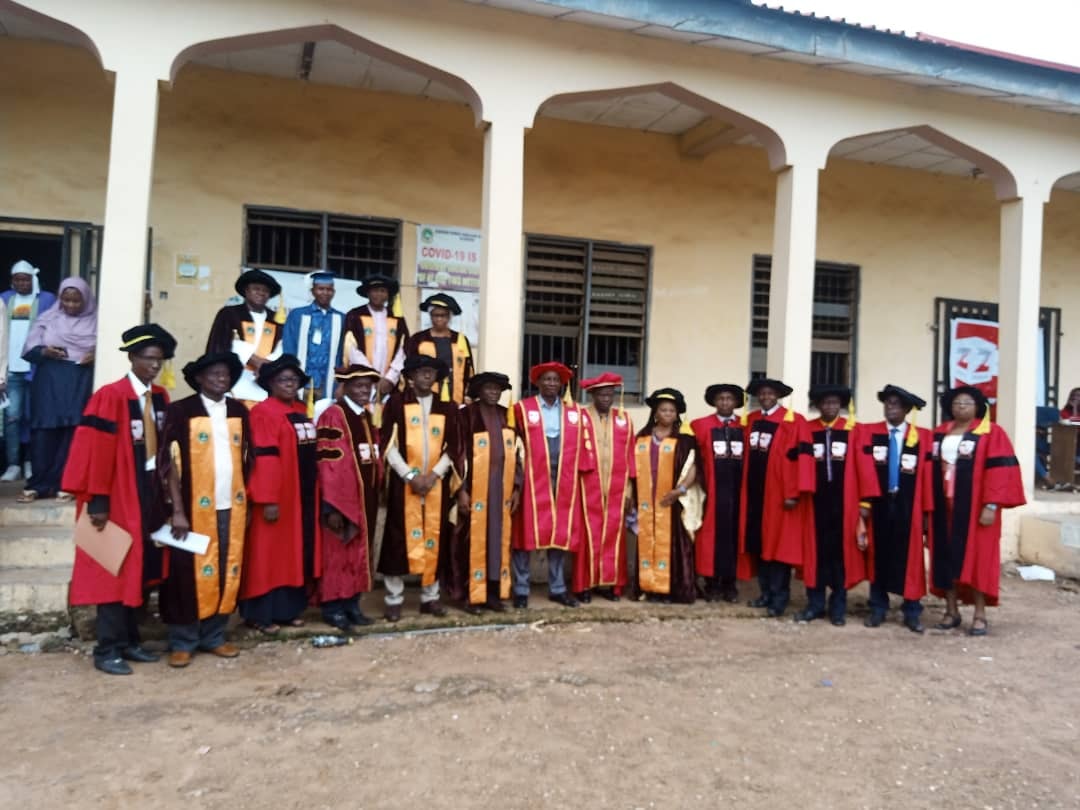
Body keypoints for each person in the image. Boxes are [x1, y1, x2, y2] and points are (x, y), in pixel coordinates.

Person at [62, 323, 176, 675]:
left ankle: (130, 642)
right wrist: (97, 499)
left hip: (149, 491)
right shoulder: (110, 396)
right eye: (147, 359)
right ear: (132, 358)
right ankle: (106, 648)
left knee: (139, 571)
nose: (154, 366)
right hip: (116, 491)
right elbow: (95, 451)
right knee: (113, 568)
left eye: (159, 360)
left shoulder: (161, 397)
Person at [157, 351, 250, 667]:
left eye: (225, 374)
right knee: (185, 574)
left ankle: (214, 636)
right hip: (193, 509)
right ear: (199, 378)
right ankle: (182, 641)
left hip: (231, 507)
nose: (221, 379)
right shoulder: (182, 410)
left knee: (226, 567)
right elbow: (168, 464)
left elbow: (248, 460)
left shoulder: (239, 411)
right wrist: (177, 510)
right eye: (214, 374)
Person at [929, 386, 1026, 636]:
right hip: (943, 507)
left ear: (978, 407)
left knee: (979, 559)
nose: (961, 406)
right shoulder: (940, 433)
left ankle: (980, 615)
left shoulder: (991, 433)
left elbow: (1000, 472)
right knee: (945, 557)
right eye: (957, 402)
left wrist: (991, 505)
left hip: (975, 510)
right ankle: (951, 611)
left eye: (967, 402)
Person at [240, 354, 321, 633]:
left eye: (294, 379)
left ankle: (286, 611)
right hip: (278, 496)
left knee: (292, 554)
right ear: (270, 384)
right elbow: (263, 457)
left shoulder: (300, 409)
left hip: (302, 495)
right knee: (267, 555)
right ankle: (259, 615)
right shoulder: (264, 412)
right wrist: (267, 499)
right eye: (283, 380)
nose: (290, 384)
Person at [379, 355, 462, 620]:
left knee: (435, 538)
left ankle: (430, 597)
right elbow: (388, 445)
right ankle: (394, 599)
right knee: (396, 541)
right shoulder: (394, 404)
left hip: (436, 486)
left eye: (431, 373)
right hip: (404, 486)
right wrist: (410, 475)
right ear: (410, 377)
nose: (427, 377)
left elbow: (454, 447)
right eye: (421, 372)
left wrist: (434, 475)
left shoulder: (447, 407)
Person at [511, 361, 594, 609]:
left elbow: (585, 443)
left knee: (561, 532)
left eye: (555, 380)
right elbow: (513, 444)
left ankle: (557, 588)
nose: (551, 383)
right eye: (546, 379)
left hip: (565, 478)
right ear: (537, 382)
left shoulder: (575, 412)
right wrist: (516, 480)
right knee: (525, 532)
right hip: (532, 477)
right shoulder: (522, 409)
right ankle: (521, 589)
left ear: (562, 384)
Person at [738, 377, 815, 617]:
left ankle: (780, 598)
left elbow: (802, 460)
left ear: (778, 396)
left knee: (778, 548)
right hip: (753, 494)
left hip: (779, 496)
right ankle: (765, 594)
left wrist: (795, 493)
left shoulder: (794, 422)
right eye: (762, 393)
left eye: (770, 393)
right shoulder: (750, 420)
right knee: (759, 545)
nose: (766, 396)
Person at [859, 384, 932, 633]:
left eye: (896, 404)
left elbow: (928, 477)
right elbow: (863, 469)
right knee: (878, 554)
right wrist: (864, 503)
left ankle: (912, 610)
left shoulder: (922, 437)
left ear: (907, 409)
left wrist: (926, 512)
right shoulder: (869, 432)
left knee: (910, 557)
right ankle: (878, 607)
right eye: (888, 403)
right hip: (879, 501)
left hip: (909, 503)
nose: (890, 408)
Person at [315, 364, 383, 632]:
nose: (364, 390)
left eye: (368, 386)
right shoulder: (334, 415)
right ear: (344, 387)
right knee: (338, 553)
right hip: (341, 501)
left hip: (365, 498)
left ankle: (353, 604)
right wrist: (332, 505)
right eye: (358, 386)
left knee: (359, 553)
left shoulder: (365, 416)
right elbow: (328, 461)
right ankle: (333, 608)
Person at [19, 277, 96, 503]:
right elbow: (28, 350)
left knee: (72, 432)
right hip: (49, 382)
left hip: (79, 381)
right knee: (44, 432)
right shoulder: (48, 319)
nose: (71, 305)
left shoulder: (97, 321)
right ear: (60, 298)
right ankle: (39, 484)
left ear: (86, 300)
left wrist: (96, 355)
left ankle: (66, 483)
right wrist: (45, 352)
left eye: (76, 301)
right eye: (67, 300)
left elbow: (109, 349)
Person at [796, 385, 868, 626]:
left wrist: (864, 502)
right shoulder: (807, 429)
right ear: (817, 406)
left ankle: (838, 608)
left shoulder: (853, 431)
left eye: (834, 403)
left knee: (840, 555)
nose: (830, 407)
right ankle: (814, 605)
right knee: (815, 554)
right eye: (825, 403)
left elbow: (864, 468)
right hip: (814, 502)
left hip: (843, 502)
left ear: (841, 406)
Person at [450, 372, 520, 614]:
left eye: (497, 389)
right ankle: (471, 596)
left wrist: (517, 487)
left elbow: (517, 455)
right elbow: (456, 454)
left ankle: (492, 593)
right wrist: (460, 492)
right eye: (488, 388)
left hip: (501, 489)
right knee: (471, 542)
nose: (493, 393)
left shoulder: (506, 415)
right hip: (475, 488)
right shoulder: (466, 415)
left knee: (497, 543)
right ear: (478, 391)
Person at [631, 388, 700, 604]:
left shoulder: (684, 440)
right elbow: (630, 468)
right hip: (645, 500)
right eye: (663, 410)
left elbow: (693, 467)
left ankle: (670, 590)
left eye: (671, 410)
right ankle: (647, 587)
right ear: (655, 413)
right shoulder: (641, 438)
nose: (667, 414)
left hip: (672, 500)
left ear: (677, 414)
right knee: (646, 543)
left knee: (673, 546)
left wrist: (679, 490)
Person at [573, 372, 634, 603]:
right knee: (589, 535)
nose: (606, 398)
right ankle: (584, 585)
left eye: (610, 394)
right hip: (587, 486)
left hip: (617, 488)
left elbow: (630, 456)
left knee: (613, 536)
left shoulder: (624, 419)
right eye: (601, 394)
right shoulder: (580, 417)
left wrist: (629, 491)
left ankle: (609, 584)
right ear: (592, 395)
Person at [690, 383, 745, 603]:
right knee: (710, 537)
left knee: (733, 537)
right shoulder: (700, 426)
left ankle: (730, 584)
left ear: (735, 402)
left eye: (729, 399)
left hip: (737, 491)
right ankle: (711, 583)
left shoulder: (745, 426)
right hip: (711, 491)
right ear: (714, 401)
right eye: (721, 398)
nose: (725, 402)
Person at [1, 260, 55, 481]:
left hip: (37, 368)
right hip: (11, 369)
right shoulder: (4, 299)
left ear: (34, 279)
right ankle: (14, 464)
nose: (22, 283)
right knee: (12, 417)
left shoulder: (47, 300)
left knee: (36, 416)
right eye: (17, 279)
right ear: (12, 281)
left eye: (26, 279)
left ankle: (33, 462)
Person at [205, 268, 284, 404]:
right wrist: (252, 359)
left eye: (265, 291)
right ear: (246, 291)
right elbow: (221, 343)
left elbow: (281, 346)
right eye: (256, 289)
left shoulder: (275, 320)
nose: (261, 293)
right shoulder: (230, 314)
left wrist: (267, 367)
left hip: (263, 382)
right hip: (233, 381)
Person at [280, 271, 345, 406]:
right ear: (313, 291)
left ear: (333, 292)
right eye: (321, 289)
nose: (325, 293)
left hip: (328, 382)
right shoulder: (297, 315)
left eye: (329, 289)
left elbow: (344, 353)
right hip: (301, 379)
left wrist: (341, 382)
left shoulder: (341, 319)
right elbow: (288, 347)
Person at [343, 274, 409, 399]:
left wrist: (390, 378)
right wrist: (371, 375)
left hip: (389, 384)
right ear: (368, 293)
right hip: (362, 379)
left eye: (382, 291)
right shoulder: (355, 316)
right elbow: (351, 348)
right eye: (374, 290)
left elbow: (403, 349)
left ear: (388, 295)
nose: (378, 294)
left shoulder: (397, 319)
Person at [405, 293, 475, 405]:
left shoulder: (460, 340)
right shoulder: (418, 339)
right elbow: (409, 369)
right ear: (430, 316)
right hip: (424, 397)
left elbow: (469, 369)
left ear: (449, 317)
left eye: (443, 315)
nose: (439, 319)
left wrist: (469, 394)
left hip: (456, 397)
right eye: (435, 315)